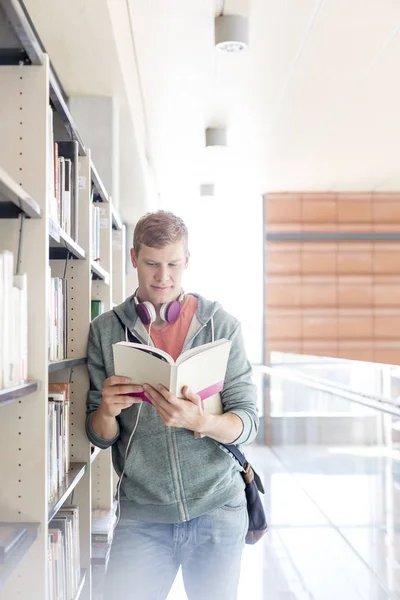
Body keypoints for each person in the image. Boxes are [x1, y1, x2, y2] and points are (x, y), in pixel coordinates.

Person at [86, 210, 259, 600]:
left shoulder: (222, 326)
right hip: (142, 515)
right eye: (151, 264)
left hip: (216, 506)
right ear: (134, 258)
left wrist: (201, 420)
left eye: (173, 265)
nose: (163, 277)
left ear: (187, 262)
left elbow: (248, 421)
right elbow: (98, 435)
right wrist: (107, 411)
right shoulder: (105, 332)